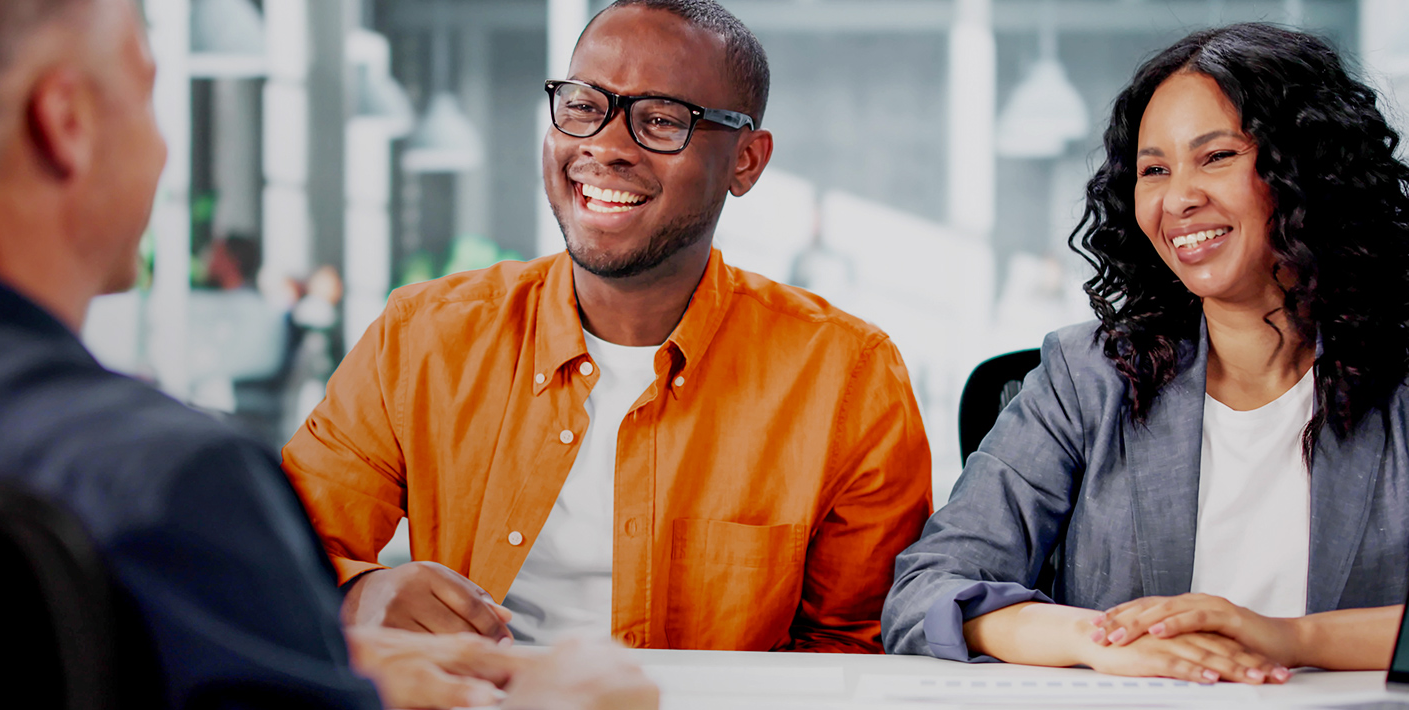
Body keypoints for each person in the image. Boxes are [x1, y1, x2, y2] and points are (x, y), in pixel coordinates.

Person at [0, 1, 655, 708]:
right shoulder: (171, 484)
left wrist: (336, 668)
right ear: (66, 124)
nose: (166, 151)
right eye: (148, 87)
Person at [283, 0, 931, 653]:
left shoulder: (848, 375)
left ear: (746, 161)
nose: (605, 147)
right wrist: (357, 592)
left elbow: (861, 643)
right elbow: (270, 552)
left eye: (659, 120)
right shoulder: (424, 335)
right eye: (583, 106)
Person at [881, 23, 1409, 683]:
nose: (1177, 198)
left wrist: (1285, 637)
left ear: (1309, 168)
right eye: (1153, 170)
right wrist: (1098, 638)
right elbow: (924, 592)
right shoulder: (1085, 377)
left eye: (1215, 156)